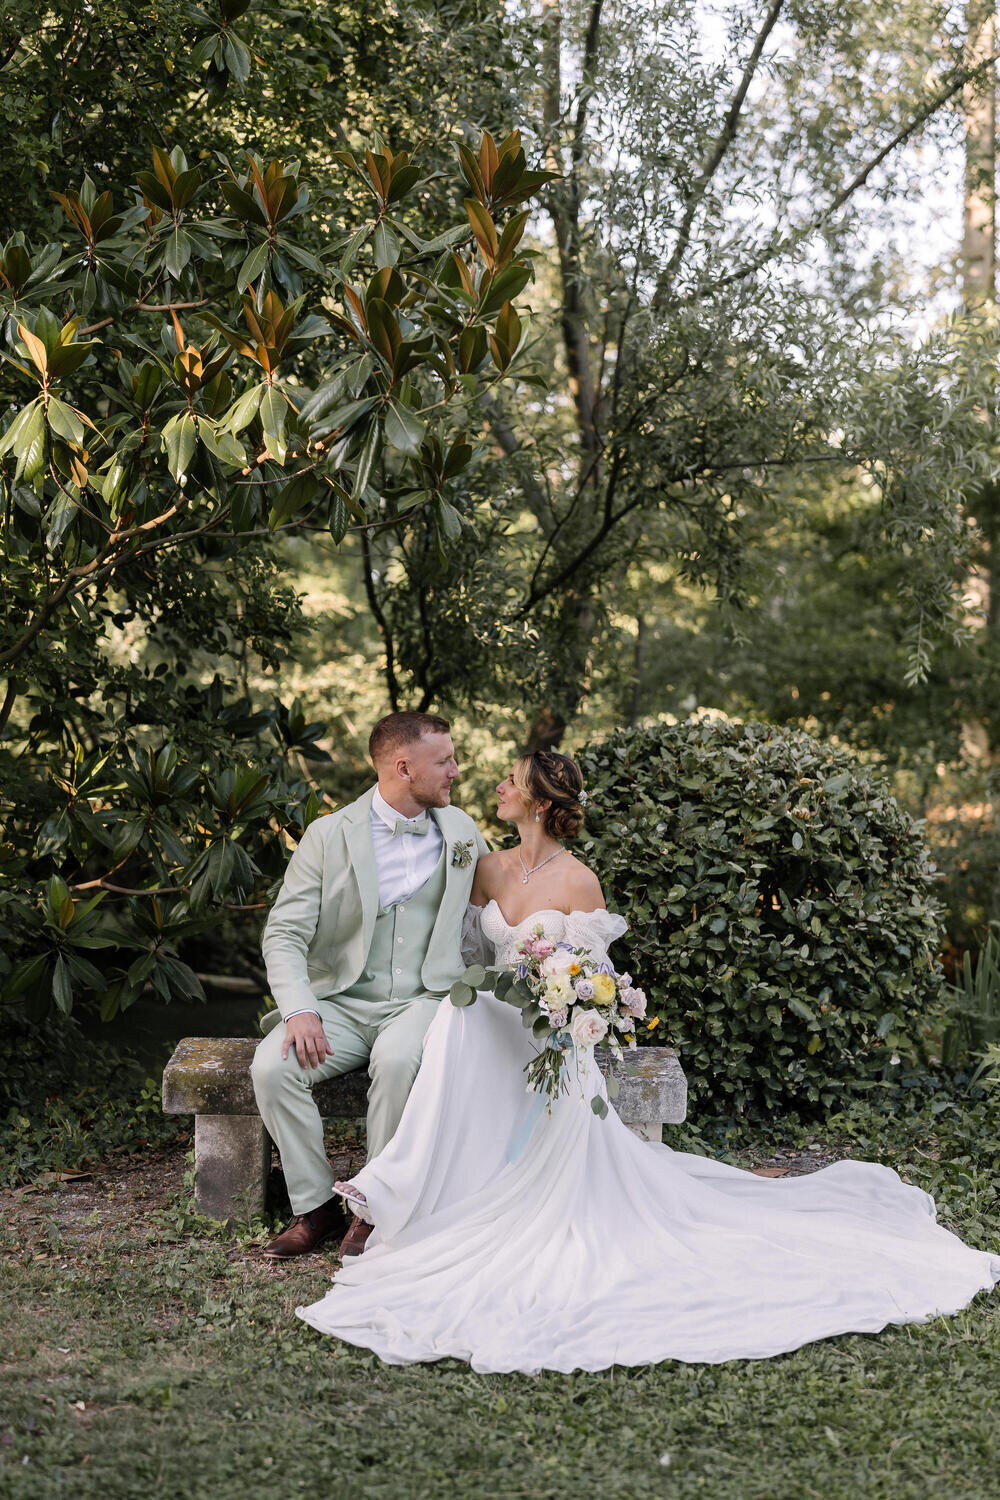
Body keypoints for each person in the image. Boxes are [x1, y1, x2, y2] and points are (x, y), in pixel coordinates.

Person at [296, 749, 1000, 1374]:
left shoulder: (579, 882)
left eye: (511, 781)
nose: (498, 789)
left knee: (465, 1023)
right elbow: (470, 955)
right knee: (457, 1014)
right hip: (493, 1016)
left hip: (548, 1037)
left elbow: (589, 982)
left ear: (539, 801)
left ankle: (386, 1192)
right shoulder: (483, 867)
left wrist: (560, 1001)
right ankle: (400, 1190)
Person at [251, 711, 489, 1260]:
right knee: (271, 1067)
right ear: (404, 767)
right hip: (342, 1000)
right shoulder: (328, 836)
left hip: (424, 998)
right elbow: (284, 932)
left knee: (399, 1060)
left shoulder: (461, 831)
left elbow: (493, 911)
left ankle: (375, 1208)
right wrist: (299, 1010)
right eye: (444, 760)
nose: (455, 769)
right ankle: (315, 1209)